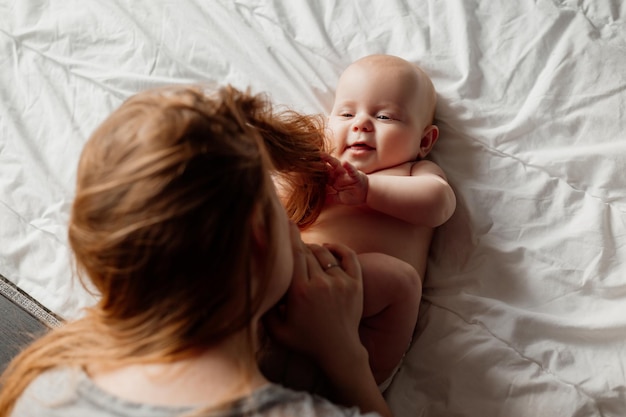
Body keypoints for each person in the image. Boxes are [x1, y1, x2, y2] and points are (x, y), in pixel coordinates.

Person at [0, 85, 391, 417]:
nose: (294, 227)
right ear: (259, 236)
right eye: (280, 214)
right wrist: (346, 358)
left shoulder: (45, 385)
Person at [276, 54, 457, 390]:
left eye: (384, 116)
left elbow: (439, 205)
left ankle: (363, 383)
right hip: (295, 286)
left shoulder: (414, 172)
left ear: (424, 141)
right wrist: (297, 176)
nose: (360, 123)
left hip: (363, 322)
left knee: (398, 278)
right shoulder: (323, 170)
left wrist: (368, 189)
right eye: (346, 113)